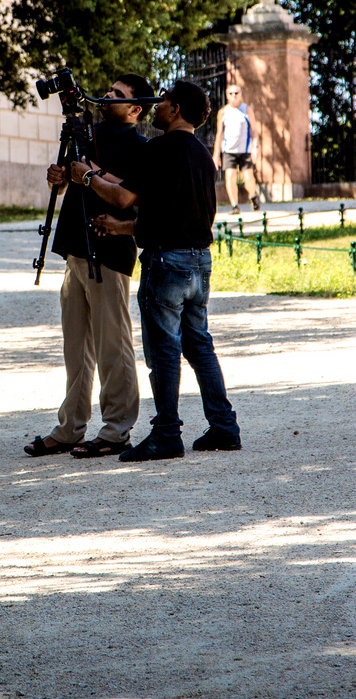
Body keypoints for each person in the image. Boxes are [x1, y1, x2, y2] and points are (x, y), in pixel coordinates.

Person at [71, 81, 242, 461]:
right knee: (199, 345)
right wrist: (119, 227)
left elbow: (122, 196)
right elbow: (167, 211)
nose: (157, 107)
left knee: (163, 351)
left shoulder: (160, 147)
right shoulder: (201, 155)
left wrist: (84, 176)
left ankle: (166, 434)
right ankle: (224, 426)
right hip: (199, 261)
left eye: (163, 102)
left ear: (175, 109)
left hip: (166, 263)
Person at [24, 74, 152, 460]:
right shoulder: (85, 133)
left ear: (135, 108)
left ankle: (116, 430)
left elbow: (130, 200)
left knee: (113, 344)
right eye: (108, 91)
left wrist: (88, 176)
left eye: (118, 95)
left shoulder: (140, 147)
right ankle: (69, 428)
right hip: (75, 248)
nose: (107, 97)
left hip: (110, 253)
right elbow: (64, 186)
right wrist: (60, 179)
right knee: (75, 347)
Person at [213, 84, 261, 211]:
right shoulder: (223, 112)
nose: (234, 96)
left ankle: (253, 196)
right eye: (231, 93)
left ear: (240, 94)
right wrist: (216, 154)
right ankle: (235, 205)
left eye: (236, 93)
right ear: (227, 95)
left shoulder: (247, 109)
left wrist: (255, 147)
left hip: (245, 150)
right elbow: (219, 134)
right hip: (229, 150)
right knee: (230, 176)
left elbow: (255, 131)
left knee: (248, 177)